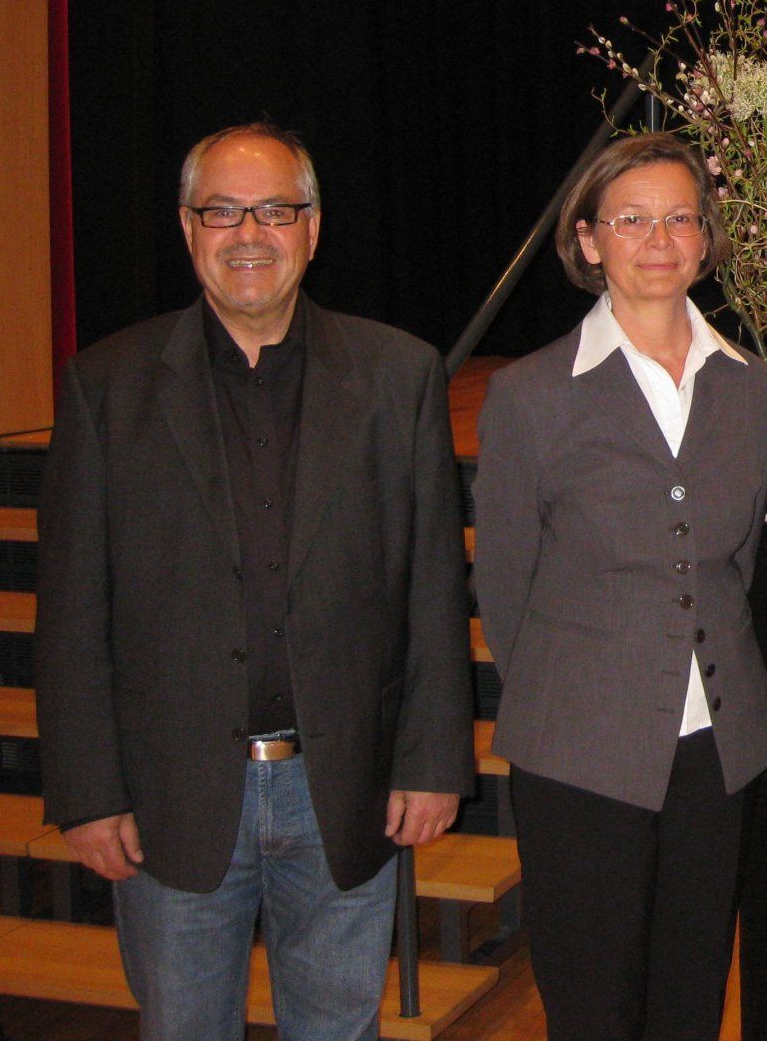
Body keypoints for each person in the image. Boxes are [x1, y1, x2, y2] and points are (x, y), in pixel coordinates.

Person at [35, 123, 474, 1041]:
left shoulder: (400, 378)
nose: (249, 233)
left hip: (344, 791)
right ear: (189, 229)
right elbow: (73, 612)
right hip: (171, 803)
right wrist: (87, 788)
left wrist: (432, 762)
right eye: (223, 211)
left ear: (312, 229)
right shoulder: (104, 388)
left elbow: (432, 590)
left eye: (274, 210)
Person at [471, 132, 767, 1041]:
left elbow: (741, 571)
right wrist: (580, 697)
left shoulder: (755, 390)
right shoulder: (530, 396)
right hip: (579, 752)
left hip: (717, 752)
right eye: (632, 219)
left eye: (680, 218)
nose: (659, 239)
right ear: (588, 240)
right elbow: (505, 581)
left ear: (705, 239)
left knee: (688, 1002)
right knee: (594, 1008)